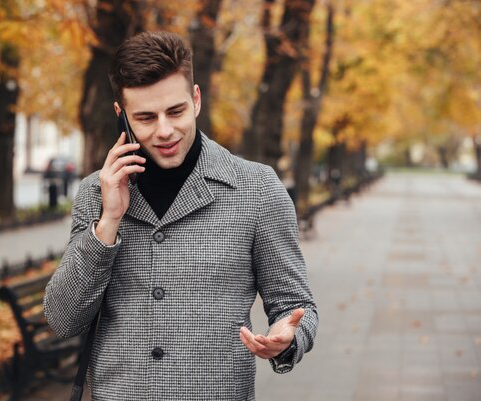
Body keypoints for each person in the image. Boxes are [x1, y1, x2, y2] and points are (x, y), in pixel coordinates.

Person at [44, 31, 318, 401]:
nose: (165, 131)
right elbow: (63, 320)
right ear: (121, 116)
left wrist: (288, 337)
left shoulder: (257, 188)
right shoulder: (98, 191)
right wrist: (107, 223)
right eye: (145, 117)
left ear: (196, 100)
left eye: (176, 111)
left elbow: (295, 304)